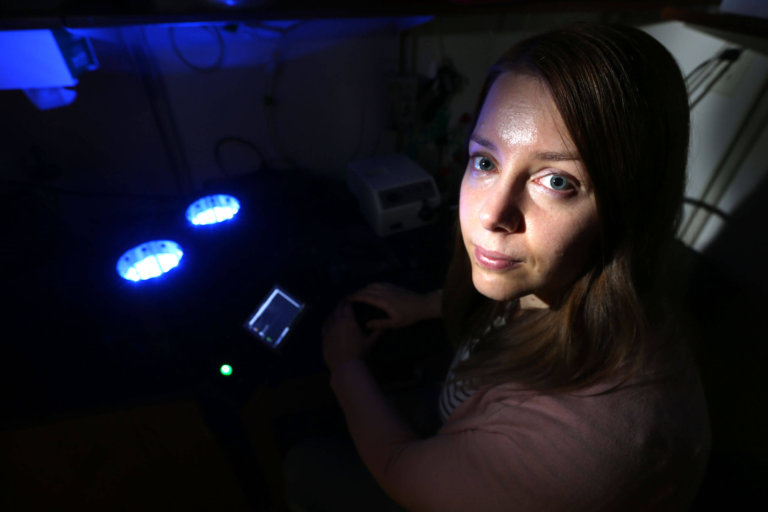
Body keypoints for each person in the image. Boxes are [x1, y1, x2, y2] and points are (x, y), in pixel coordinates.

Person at [313, 22, 710, 511]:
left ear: (630, 208)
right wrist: (427, 306)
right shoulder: (566, 275)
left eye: (557, 181)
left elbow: (399, 468)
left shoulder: (577, 449)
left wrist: (345, 366)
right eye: (485, 162)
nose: (491, 214)